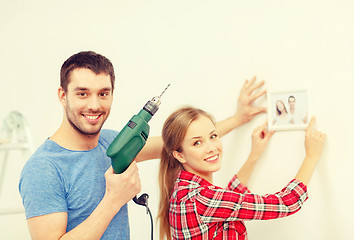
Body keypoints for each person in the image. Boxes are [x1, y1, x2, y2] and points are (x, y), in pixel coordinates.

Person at [19, 50, 267, 240]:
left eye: (103, 93)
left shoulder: (111, 143)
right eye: (82, 93)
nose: (94, 105)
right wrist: (113, 200)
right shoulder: (43, 168)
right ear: (63, 95)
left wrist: (238, 118)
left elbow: (179, 144)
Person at [158, 106, 326, 240]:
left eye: (213, 136)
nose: (211, 147)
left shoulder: (185, 190)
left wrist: (254, 155)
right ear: (179, 154)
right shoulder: (203, 198)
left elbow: (229, 200)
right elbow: (287, 203)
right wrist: (312, 156)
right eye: (197, 143)